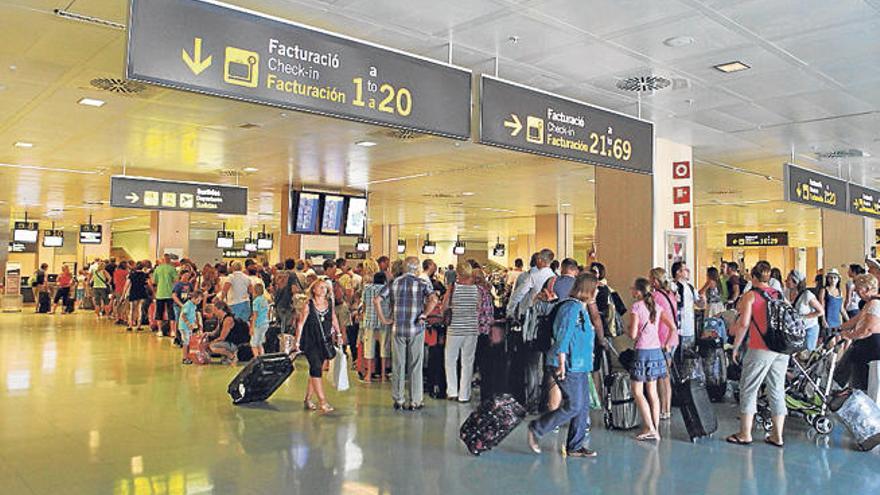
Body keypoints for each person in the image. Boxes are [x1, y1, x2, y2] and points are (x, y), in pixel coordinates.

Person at [526, 273, 599, 458]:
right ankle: (537, 428)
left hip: (580, 365)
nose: (597, 292)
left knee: (582, 406)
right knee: (574, 405)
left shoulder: (581, 310)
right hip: (567, 364)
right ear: (588, 290)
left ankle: (575, 445)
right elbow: (563, 336)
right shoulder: (571, 308)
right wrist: (561, 362)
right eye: (595, 288)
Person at [727, 261, 788, 448]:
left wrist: (735, 347)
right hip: (781, 349)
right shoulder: (778, 294)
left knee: (748, 387)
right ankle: (777, 435)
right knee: (776, 389)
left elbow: (744, 324)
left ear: (753, 277)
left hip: (760, 348)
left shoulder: (751, 295)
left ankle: (745, 433)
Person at [375, 256, 438, 411]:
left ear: (403, 267)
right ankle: (415, 400)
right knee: (415, 364)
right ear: (416, 269)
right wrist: (424, 314)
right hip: (416, 328)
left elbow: (377, 300)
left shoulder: (394, 283)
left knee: (398, 364)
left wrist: (384, 319)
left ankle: (399, 399)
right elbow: (434, 300)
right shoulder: (422, 283)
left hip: (398, 329)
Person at [629, 277, 675, 441]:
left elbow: (633, 334)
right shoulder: (657, 307)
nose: (631, 290)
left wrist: (631, 330)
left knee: (637, 391)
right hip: (656, 352)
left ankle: (650, 428)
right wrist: (667, 343)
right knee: (652, 392)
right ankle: (655, 428)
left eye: (633, 288)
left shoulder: (636, 307)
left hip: (642, 351)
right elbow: (672, 327)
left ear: (639, 291)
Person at [295, 279, 341, 414]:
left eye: (325, 288)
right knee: (315, 367)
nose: (323, 290)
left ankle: (308, 398)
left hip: (324, 340)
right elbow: (300, 323)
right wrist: (297, 342)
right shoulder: (308, 305)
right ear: (313, 290)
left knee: (316, 369)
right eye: (320, 287)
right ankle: (322, 401)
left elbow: (333, 318)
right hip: (310, 341)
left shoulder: (330, 304)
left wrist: (338, 334)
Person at [441, 262, 480, 403]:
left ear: (458, 273)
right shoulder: (476, 289)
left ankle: (452, 391)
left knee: (450, 360)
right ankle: (464, 395)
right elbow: (478, 307)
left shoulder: (452, 288)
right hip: (471, 330)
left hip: (455, 329)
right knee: (467, 362)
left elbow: (444, 307)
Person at [838, 273, 880, 391]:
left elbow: (867, 329)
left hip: (873, 348)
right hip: (865, 347)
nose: (855, 291)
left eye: (858, 289)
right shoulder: (869, 304)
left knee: (870, 385)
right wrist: (839, 328)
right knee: (859, 379)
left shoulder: (875, 304)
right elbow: (856, 320)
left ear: (867, 289)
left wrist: (849, 335)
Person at [648, 268, 679, 423]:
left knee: (662, 377)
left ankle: (663, 409)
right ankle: (666, 409)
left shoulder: (655, 297)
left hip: (662, 340)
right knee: (666, 375)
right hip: (672, 339)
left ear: (655, 280)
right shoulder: (670, 295)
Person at [361, 272, 391, 383]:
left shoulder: (367, 288)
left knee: (368, 348)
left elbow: (364, 305)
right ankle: (383, 375)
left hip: (369, 321)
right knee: (384, 348)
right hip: (384, 321)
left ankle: (368, 375)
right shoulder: (388, 289)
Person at [786, 270, 824, 351]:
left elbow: (821, 311)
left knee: (807, 353)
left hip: (809, 328)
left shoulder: (807, 295)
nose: (786, 281)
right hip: (796, 329)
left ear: (795, 282)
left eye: (788, 279)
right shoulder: (786, 293)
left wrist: (803, 317)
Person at [207, 301, 250, 365]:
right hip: (229, 341)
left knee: (212, 346)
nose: (214, 313)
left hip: (236, 343)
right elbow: (215, 332)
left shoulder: (228, 319)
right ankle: (228, 356)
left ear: (220, 310)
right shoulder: (220, 319)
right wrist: (207, 333)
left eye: (215, 310)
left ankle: (231, 356)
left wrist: (210, 343)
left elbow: (222, 337)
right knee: (224, 362)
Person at [672, 261, 700, 349]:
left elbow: (699, 303)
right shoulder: (672, 287)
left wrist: (703, 300)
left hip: (690, 327)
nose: (688, 272)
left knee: (689, 355)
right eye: (685, 270)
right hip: (678, 327)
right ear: (678, 272)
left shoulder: (690, 287)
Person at [151, 254, 178, 335]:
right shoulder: (172, 268)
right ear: (169, 260)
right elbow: (176, 280)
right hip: (170, 294)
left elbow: (154, 282)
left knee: (159, 312)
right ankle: (172, 331)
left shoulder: (157, 269)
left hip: (160, 293)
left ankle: (160, 331)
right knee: (171, 313)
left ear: (162, 260)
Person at [819, 269, 848, 333]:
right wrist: (823, 320)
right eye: (831, 277)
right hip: (827, 320)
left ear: (838, 279)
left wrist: (848, 320)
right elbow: (821, 307)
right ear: (828, 279)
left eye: (835, 277)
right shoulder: (824, 290)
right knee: (831, 341)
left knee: (839, 341)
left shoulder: (840, 291)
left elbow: (842, 309)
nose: (833, 280)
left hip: (837, 321)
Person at [171, 269, 195, 345]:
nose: (187, 277)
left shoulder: (190, 285)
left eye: (188, 275)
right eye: (185, 275)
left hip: (187, 306)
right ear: (181, 275)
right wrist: (181, 304)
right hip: (178, 306)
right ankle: (177, 337)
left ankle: (185, 338)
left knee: (187, 320)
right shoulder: (178, 285)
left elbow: (192, 294)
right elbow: (174, 295)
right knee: (179, 321)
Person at [178, 291, 203, 364]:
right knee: (185, 342)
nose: (199, 302)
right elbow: (183, 315)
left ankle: (188, 356)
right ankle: (184, 358)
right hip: (184, 327)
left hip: (189, 327)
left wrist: (195, 323)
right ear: (193, 298)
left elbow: (192, 315)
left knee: (188, 342)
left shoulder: (193, 305)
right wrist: (188, 324)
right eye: (198, 300)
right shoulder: (188, 305)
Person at [126, 262, 150, 332]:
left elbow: (127, 285)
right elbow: (149, 284)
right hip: (142, 292)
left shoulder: (132, 275)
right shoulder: (145, 275)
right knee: (140, 309)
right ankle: (139, 325)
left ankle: (130, 325)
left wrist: (123, 294)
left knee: (132, 309)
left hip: (133, 292)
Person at [250, 284, 270, 357]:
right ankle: (262, 357)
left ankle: (257, 359)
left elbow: (255, 315)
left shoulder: (256, 302)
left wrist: (252, 327)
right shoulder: (265, 300)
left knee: (253, 344)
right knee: (260, 343)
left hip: (258, 324)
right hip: (265, 323)